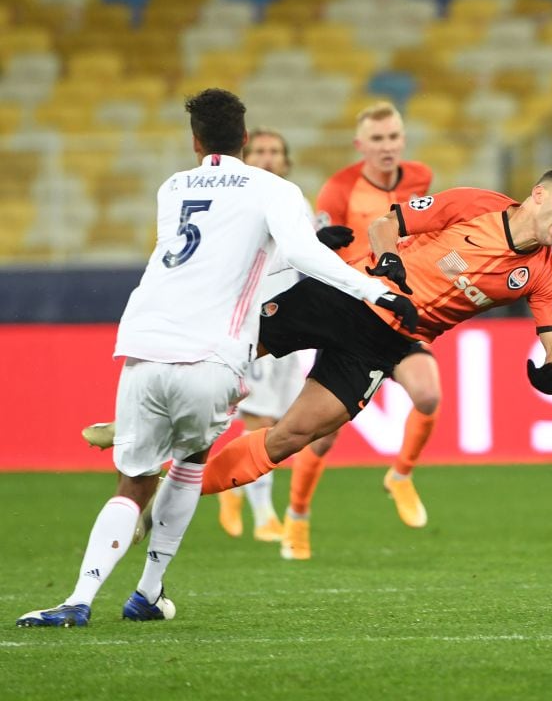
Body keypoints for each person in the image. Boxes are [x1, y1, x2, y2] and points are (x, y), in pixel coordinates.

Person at [16, 88, 415, 628]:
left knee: (132, 482)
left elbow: (206, 258)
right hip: (211, 356)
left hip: (141, 347)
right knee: (189, 463)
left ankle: (78, 600)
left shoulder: (172, 187)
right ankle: (148, 592)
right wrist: (374, 290)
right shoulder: (272, 187)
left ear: (196, 140)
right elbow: (293, 256)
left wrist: (313, 239)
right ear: (246, 140)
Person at [196, 167, 552, 511]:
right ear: (539, 194)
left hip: (383, 345)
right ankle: (153, 428)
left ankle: (178, 492)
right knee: (229, 350)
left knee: (293, 437)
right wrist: (389, 259)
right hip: (350, 294)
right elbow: (385, 225)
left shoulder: (542, 275)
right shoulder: (475, 205)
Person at [281, 101, 435, 561]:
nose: (387, 147)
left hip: (400, 312)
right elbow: (320, 253)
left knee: (428, 395)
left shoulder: (421, 178)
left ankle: (401, 475)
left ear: (402, 140)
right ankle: (298, 514)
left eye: (393, 137)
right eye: (378, 139)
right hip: (352, 315)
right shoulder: (339, 189)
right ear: (360, 145)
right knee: (322, 435)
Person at [214, 128, 319, 544]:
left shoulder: (297, 202)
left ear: (286, 160)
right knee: (256, 417)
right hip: (248, 319)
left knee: (276, 420)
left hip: (288, 321)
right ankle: (262, 514)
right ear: (245, 155)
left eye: (275, 151)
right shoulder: (232, 202)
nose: (268, 157)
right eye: (259, 150)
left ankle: (233, 489)